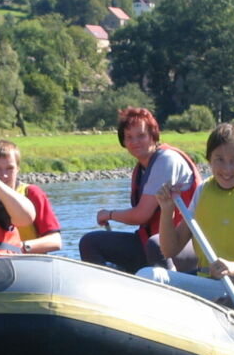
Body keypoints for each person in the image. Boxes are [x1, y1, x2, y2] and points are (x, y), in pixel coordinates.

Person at [137, 122, 234, 316]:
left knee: (149, 275)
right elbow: (170, 249)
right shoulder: (203, 191)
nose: (227, 169)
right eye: (219, 159)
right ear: (209, 160)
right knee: (147, 276)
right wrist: (167, 210)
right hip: (210, 284)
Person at [78, 107, 201, 274]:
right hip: (149, 243)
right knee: (90, 242)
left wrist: (109, 214)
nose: (135, 142)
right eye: (129, 137)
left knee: (156, 245)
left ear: (153, 136)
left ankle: (172, 287)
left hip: (185, 243)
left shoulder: (166, 160)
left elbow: (141, 215)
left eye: (141, 136)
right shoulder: (142, 168)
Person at [0, 139, 62, 254]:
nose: (4, 175)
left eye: (10, 168)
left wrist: (20, 247)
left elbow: (55, 241)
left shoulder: (31, 193)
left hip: (27, 264)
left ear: (18, 169)